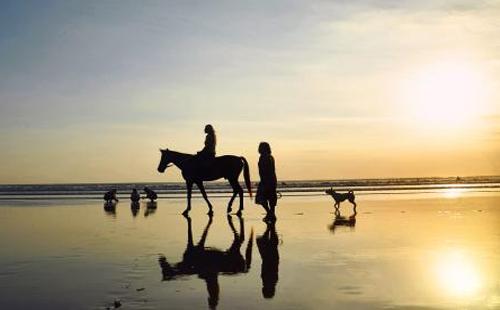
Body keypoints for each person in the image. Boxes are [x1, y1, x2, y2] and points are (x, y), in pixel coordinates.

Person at [255, 142, 278, 220]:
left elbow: (263, 170)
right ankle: (272, 214)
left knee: (261, 198)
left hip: (266, 180)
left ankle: (269, 213)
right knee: (271, 198)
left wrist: (263, 181)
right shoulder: (271, 157)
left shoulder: (263, 157)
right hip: (272, 179)